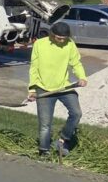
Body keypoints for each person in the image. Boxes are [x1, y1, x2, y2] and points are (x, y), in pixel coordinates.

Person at [28, 21, 87, 158]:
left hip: (63, 87)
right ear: (51, 34)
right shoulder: (40, 44)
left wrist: (82, 77)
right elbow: (34, 68)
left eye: (64, 38)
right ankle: (44, 151)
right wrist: (31, 89)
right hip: (43, 89)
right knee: (45, 124)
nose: (61, 41)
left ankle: (62, 140)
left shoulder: (70, 44)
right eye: (58, 38)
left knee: (76, 113)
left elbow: (76, 63)